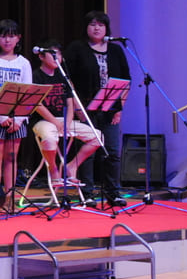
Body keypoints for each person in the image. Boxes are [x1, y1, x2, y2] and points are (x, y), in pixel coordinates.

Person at [64, 11, 131, 207]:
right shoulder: (77, 48)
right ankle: (87, 193)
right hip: (85, 108)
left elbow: (126, 81)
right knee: (89, 151)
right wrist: (76, 106)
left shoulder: (116, 50)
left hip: (110, 109)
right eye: (92, 24)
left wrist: (120, 108)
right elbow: (67, 79)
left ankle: (113, 192)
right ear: (86, 27)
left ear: (106, 28)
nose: (96, 28)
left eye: (100, 24)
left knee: (112, 151)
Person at [32, 41, 102, 197]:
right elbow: (38, 105)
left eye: (59, 54)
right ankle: (53, 168)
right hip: (45, 121)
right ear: (42, 56)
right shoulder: (36, 76)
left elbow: (70, 103)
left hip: (64, 120)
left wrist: (68, 122)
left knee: (98, 137)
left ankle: (72, 166)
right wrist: (56, 122)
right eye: (53, 54)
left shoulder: (63, 75)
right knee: (50, 139)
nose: (57, 58)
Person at [0, 20, 32, 195]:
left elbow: (28, 92)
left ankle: (10, 195)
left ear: (18, 38)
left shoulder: (23, 63)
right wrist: (2, 117)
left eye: (11, 36)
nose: (7, 41)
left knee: (11, 157)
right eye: (4, 36)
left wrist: (18, 119)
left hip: (18, 117)